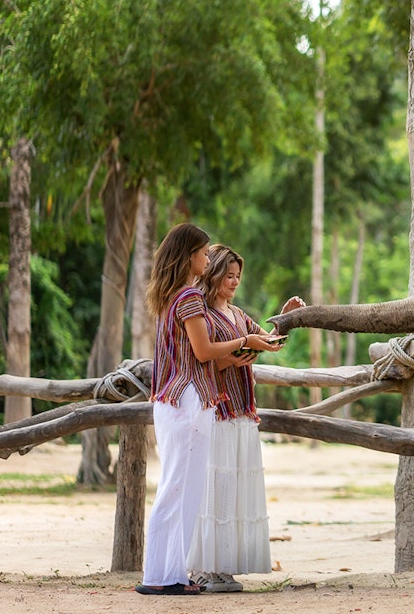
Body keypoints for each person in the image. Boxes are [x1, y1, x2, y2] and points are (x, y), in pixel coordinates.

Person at [136, 223, 284, 596]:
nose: (207, 258)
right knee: (179, 489)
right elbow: (203, 352)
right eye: (203, 253)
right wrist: (244, 342)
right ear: (189, 256)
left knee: (179, 489)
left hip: (180, 400)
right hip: (187, 400)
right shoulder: (189, 297)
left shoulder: (174, 296)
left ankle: (167, 574)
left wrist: (248, 341)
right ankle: (161, 576)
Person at [187, 244, 303, 593]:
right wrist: (233, 357)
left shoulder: (238, 315)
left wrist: (285, 317)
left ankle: (225, 566)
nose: (234, 282)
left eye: (238, 276)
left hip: (242, 411)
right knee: (214, 487)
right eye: (229, 275)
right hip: (216, 408)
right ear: (214, 273)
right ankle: (205, 567)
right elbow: (200, 359)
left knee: (235, 488)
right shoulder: (200, 314)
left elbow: (267, 341)